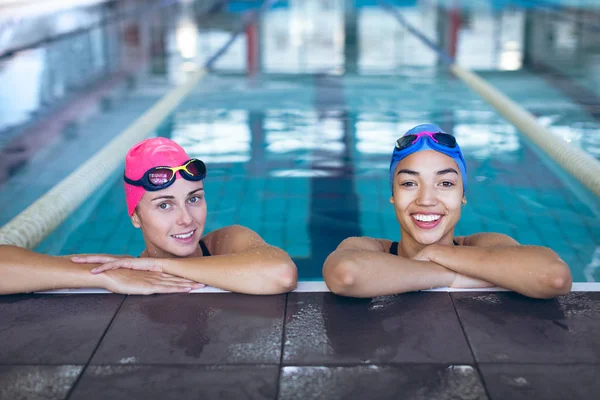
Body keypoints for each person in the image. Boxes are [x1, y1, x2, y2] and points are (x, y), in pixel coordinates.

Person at [0, 137, 297, 295]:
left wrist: (161, 266)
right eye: (164, 205)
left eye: (193, 199)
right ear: (135, 216)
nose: (186, 219)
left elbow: (281, 274)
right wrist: (106, 278)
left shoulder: (226, 243)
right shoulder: (117, 270)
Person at [323, 123, 572, 299]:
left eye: (445, 184)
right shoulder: (369, 247)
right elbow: (346, 274)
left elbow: (553, 276)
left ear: (463, 195)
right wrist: (451, 277)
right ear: (392, 195)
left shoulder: (485, 243)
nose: (427, 199)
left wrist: (434, 253)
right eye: (409, 183)